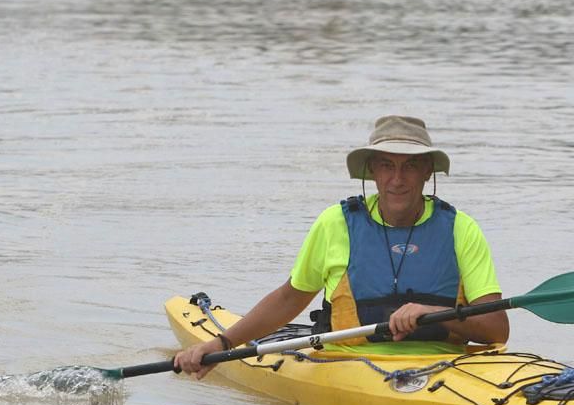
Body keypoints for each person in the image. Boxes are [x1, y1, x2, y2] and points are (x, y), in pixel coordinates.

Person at [174, 115, 509, 379]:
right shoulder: (336, 223)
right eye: (387, 165)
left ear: (427, 171)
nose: (397, 179)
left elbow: (497, 330)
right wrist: (222, 344)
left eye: (410, 165)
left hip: (448, 369)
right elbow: (290, 299)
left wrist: (431, 314)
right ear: (372, 171)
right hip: (348, 364)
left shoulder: (461, 229)